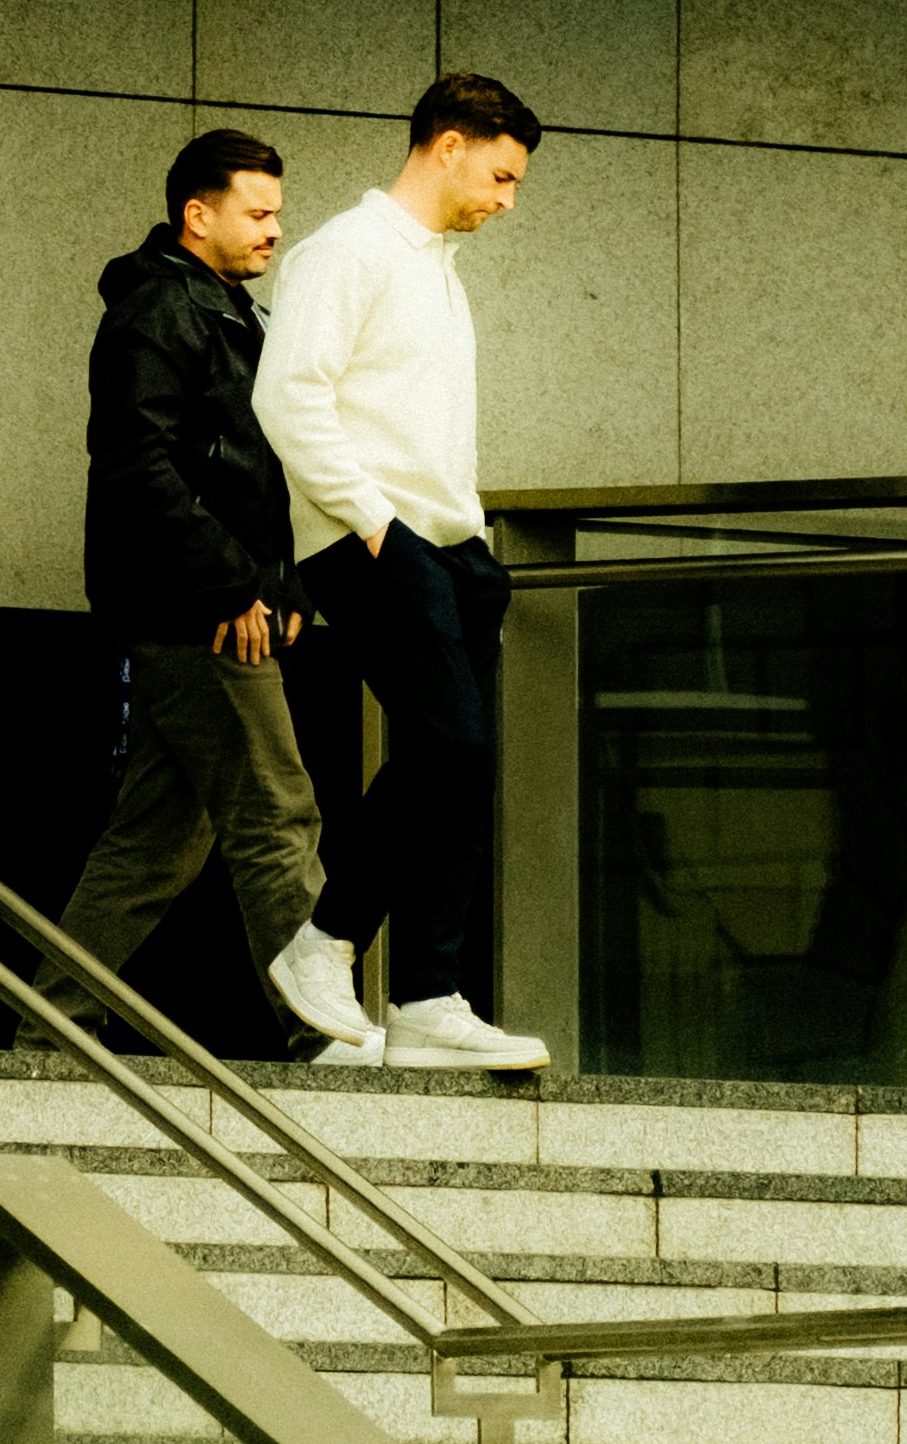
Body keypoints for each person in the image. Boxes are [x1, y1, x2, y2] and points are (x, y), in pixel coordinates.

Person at [55, 129, 380, 1050]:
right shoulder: (162, 311)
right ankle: (324, 1037)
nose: (277, 229)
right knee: (278, 810)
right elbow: (136, 468)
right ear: (198, 215)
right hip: (202, 617)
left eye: (279, 211)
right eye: (259, 211)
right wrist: (235, 588)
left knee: (154, 847)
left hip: (210, 609)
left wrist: (273, 590)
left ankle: (50, 1023)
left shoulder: (225, 312)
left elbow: (245, 473)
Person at [255, 70, 550, 1072]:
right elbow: (288, 399)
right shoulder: (345, 251)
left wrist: (461, 548)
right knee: (447, 743)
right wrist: (383, 529)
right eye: (502, 176)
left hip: (449, 547)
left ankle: (428, 994)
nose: (507, 201)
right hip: (370, 539)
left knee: (461, 771)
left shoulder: (434, 265)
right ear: (449, 143)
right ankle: (322, 942)